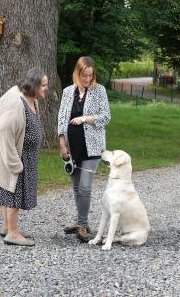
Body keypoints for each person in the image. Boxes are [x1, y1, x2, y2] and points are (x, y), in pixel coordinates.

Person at [0, 68, 48, 246]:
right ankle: (12, 233)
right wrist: (15, 164)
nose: (46, 88)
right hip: (17, 157)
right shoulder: (16, 104)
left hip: (24, 155)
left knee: (11, 193)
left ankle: (7, 227)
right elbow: (4, 132)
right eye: (44, 85)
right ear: (33, 86)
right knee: (14, 194)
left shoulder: (29, 98)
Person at [57, 56, 111, 242]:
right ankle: (83, 222)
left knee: (85, 187)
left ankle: (81, 225)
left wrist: (85, 118)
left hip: (92, 147)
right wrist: (62, 144)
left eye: (90, 75)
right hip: (73, 147)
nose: (88, 79)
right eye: (84, 75)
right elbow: (61, 119)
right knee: (76, 187)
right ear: (77, 73)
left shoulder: (99, 91)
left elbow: (106, 117)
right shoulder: (67, 92)